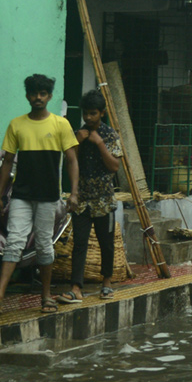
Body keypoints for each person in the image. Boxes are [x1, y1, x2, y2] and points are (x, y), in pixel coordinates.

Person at [0, 74, 79, 315]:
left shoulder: (60, 124)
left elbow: (73, 159)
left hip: (48, 196)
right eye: (34, 93)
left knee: (45, 246)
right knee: (14, 242)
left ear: (50, 96)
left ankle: (46, 297)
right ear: (27, 96)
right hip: (21, 194)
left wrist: (74, 193)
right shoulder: (16, 124)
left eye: (43, 93)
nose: (38, 97)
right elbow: (7, 162)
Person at [57, 90, 120, 305]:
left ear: (102, 113)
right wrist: (77, 141)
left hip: (104, 200)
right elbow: (69, 161)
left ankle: (107, 282)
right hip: (82, 199)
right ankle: (76, 288)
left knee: (106, 243)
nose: (88, 118)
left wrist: (99, 143)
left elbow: (114, 166)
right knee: (80, 243)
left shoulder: (110, 134)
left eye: (93, 113)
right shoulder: (78, 134)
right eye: (86, 113)